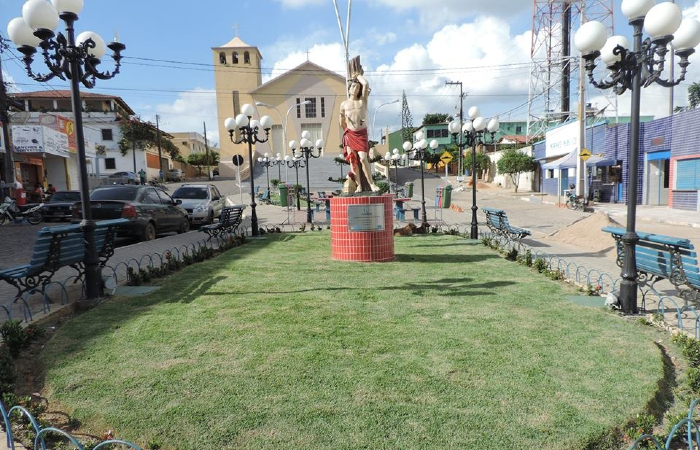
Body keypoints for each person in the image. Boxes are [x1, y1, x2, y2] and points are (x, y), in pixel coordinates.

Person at [339, 57, 379, 194]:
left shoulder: (363, 100)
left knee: (363, 158)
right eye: (353, 86)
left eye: (357, 87)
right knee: (353, 161)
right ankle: (359, 186)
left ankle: (372, 184)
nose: (355, 89)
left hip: (361, 133)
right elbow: (341, 123)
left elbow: (366, 85)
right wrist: (346, 128)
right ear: (349, 88)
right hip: (350, 134)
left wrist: (358, 76)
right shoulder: (344, 104)